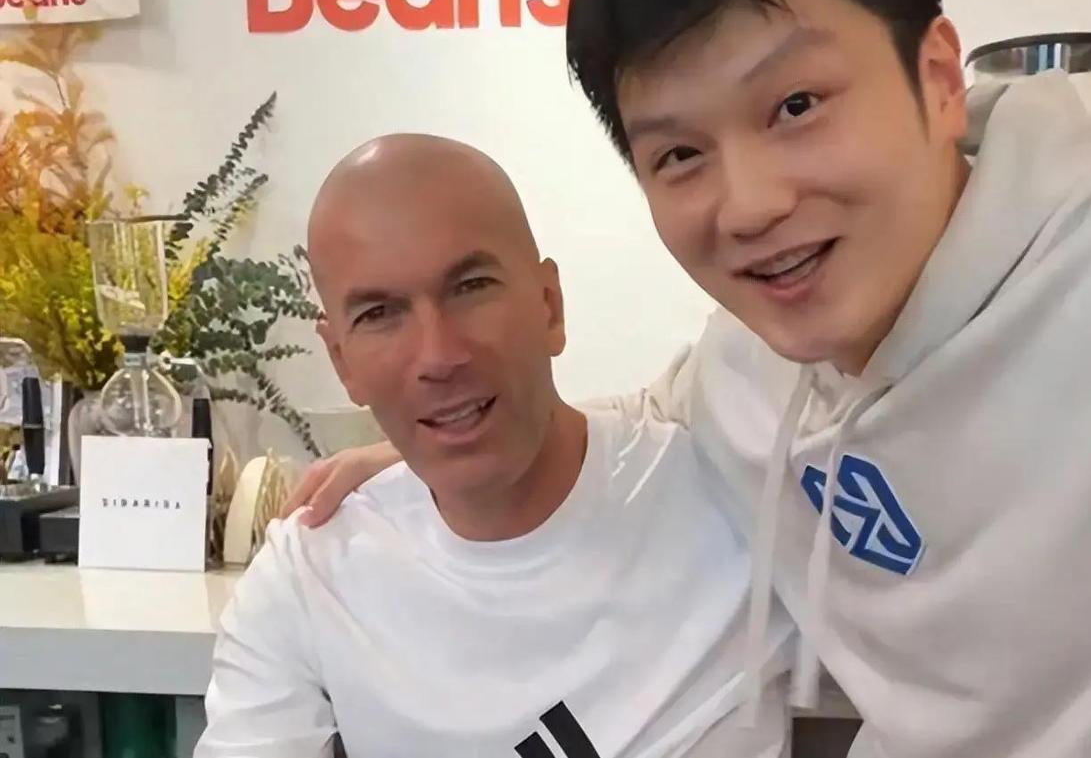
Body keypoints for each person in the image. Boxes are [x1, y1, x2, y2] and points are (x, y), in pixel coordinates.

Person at [286, 0, 1091, 755]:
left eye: (795, 105)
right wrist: (447, 441)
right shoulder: (745, 369)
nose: (749, 205)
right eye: (680, 154)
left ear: (938, 76)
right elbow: (638, 416)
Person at [196, 134, 796, 758]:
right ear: (341, 361)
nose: (438, 356)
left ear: (549, 305)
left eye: (471, 287)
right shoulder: (309, 574)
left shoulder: (731, 492)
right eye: (378, 314)